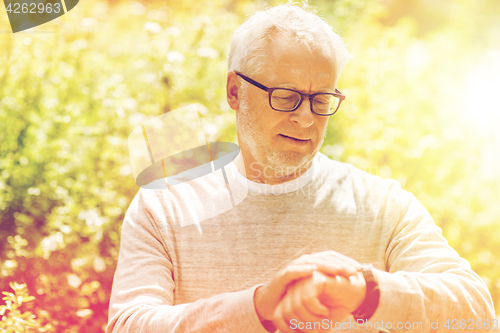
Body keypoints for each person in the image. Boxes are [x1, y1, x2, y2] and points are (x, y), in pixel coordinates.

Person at [106, 4, 496, 333]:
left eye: (321, 100)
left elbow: (477, 312)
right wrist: (259, 307)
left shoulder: (383, 206)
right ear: (234, 92)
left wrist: (369, 293)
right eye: (287, 97)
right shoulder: (165, 205)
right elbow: (129, 323)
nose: (307, 119)